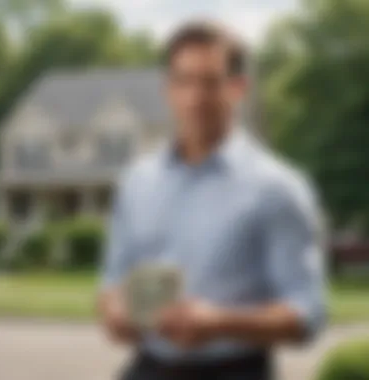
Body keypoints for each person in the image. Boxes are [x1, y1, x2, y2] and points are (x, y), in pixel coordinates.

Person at [98, 21, 326, 380]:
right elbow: (112, 283)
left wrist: (220, 323)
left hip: (236, 370)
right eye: (184, 81)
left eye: (210, 82)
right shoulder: (136, 183)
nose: (195, 98)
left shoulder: (279, 188)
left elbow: (307, 313)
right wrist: (115, 312)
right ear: (168, 89)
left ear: (238, 89)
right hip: (148, 367)